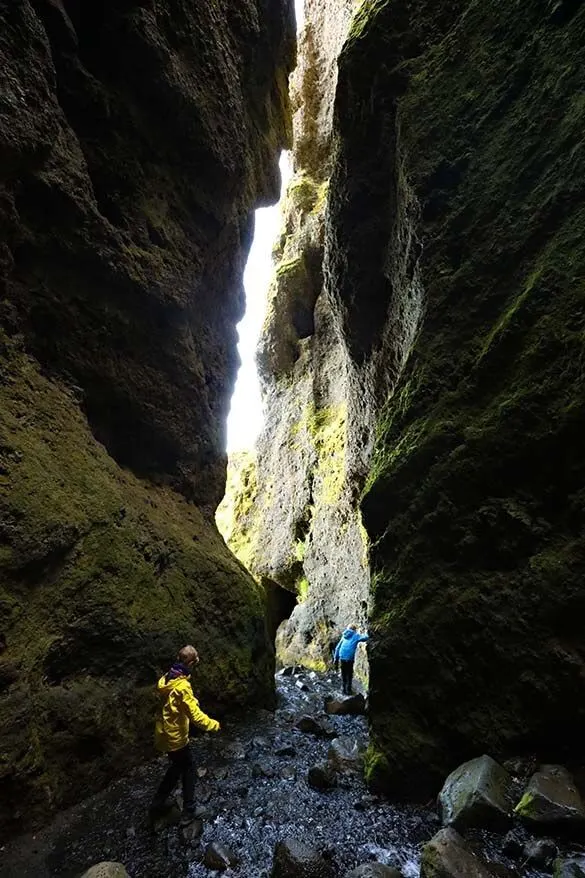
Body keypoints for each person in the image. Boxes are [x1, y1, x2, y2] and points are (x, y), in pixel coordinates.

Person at [150, 645, 220, 826]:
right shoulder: (182, 687)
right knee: (189, 769)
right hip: (176, 737)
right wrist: (213, 725)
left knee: (176, 767)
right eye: (195, 662)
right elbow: (195, 715)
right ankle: (190, 809)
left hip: (164, 733)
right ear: (190, 662)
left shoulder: (167, 678)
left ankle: (157, 803)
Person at [333, 624, 369, 695]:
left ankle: (343, 690)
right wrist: (366, 632)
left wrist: (335, 659)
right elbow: (366, 637)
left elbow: (337, 648)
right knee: (349, 674)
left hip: (342, 657)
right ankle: (348, 690)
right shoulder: (356, 636)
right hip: (349, 658)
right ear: (354, 629)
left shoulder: (344, 636)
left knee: (343, 673)